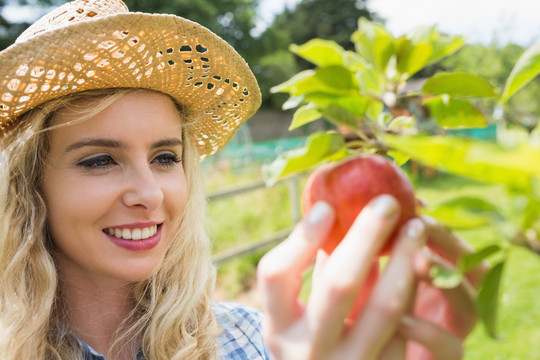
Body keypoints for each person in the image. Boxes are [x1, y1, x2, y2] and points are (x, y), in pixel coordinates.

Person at [0, 0, 485, 359]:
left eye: (166, 157)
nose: (150, 194)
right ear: (28, 187)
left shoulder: (247, 341)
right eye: (100, 160)